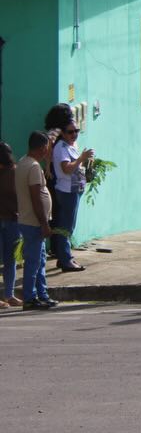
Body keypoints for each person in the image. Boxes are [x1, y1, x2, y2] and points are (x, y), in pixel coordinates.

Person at [16, 132, 54, 309]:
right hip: (34, 222)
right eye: (47, 147)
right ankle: (30, 298)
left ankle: (42, 294)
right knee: (33, 262)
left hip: (29, 220)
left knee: (40, 260)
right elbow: (36, 197)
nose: (48, 150)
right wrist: (44, 223)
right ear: (41, 148)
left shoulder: (23, 162)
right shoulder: (32, 167)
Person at [50, 121, 93, 272]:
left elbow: (75, 165)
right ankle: (65, 259)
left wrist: (85, 161)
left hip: (74, 190)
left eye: (76, 131)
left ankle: (64, 257)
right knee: (66, 227)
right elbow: (66, 169)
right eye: (70, 132)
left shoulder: (70, 146)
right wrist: (81, 158)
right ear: (62, 133)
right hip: (67, 191)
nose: (74, 134)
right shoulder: (61, 148)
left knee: (68, 226)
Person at [0, 143, 22, 308]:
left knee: (11, 259)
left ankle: (9, 295)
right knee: (9, 260)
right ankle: (8, 294)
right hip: (11, 220)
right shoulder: (15, 171)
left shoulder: (15, 172)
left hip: (13, 220)